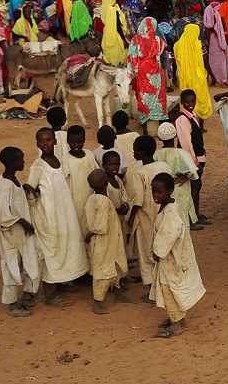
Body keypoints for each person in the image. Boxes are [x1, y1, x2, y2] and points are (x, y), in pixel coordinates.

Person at [28, 128, 89, 306]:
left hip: (63, 214)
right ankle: (50, 293)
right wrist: (36, 194)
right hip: (48, 218)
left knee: (65, 247)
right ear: (37, 144)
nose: (45, 143)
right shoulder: (37, 166)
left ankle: (62, 281)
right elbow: (29, 191)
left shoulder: (58, 161)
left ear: (55, 141)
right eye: (41, 141)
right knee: (52, 252)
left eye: (48, 140)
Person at [149, 172, 206, 338]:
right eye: (153, 192)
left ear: (170, 191)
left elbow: (168, 235)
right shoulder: (169, 207)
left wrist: (157, 252)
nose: (155, 195)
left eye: (159, 192)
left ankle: (175, 324)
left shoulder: (171, 212)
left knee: (168, 289)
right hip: (171, 258)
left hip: (171, 259)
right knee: (171, 289)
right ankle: (176, 317)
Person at [0, 146, 40, 318]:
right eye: (21, 159)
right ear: (13, 163)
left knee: (31, 259)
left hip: (20, 234)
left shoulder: (14, 180)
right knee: (10, 266)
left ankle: (28, 295)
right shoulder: (6, 185)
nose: (24, 162)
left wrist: (25, 188)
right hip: (10, 235)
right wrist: (21, 221)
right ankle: (12, 305)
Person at [126, 135, 171, 291]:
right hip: (163, 214)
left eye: (135, 151)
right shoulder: (164, 166)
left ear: (141, 152)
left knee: (147, 252)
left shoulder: (139, 173)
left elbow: (138, 199)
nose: (133, 153)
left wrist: (131, 217)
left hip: (146, 217)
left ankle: (152, 287)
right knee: (162, 247)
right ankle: (164, 281)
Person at [83, 169, 130, 315]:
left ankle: (118, 293)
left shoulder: (92, 199)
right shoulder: (103, 201)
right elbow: (101, 226)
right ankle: (98, 302)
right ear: (106, 183)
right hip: (105, 242)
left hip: (109, 241)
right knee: (103, 272)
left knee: (115, 266)